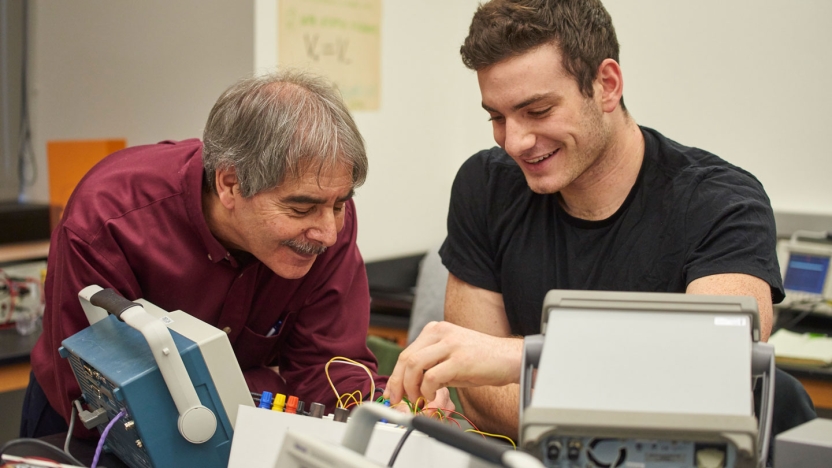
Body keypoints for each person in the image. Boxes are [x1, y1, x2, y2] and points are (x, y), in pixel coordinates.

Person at [384, 0, 816, 449]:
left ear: (606, 85)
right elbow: (479, 392)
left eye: (537, 111)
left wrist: (518, 358)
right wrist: (635, 389)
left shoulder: (721, 202)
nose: (514, 141)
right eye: (496, 116)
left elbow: (715, 374)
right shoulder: (486, 186)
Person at [21, 70, 450, 439]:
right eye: (301, 208)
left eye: (339, 204)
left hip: (242, 422)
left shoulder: (325, 220)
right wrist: (266, 384)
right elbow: (109, 391)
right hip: (90, 427)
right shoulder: (109, 220)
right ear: (230, 184)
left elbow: (328, 367)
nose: (329, 230)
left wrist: (384, 413)